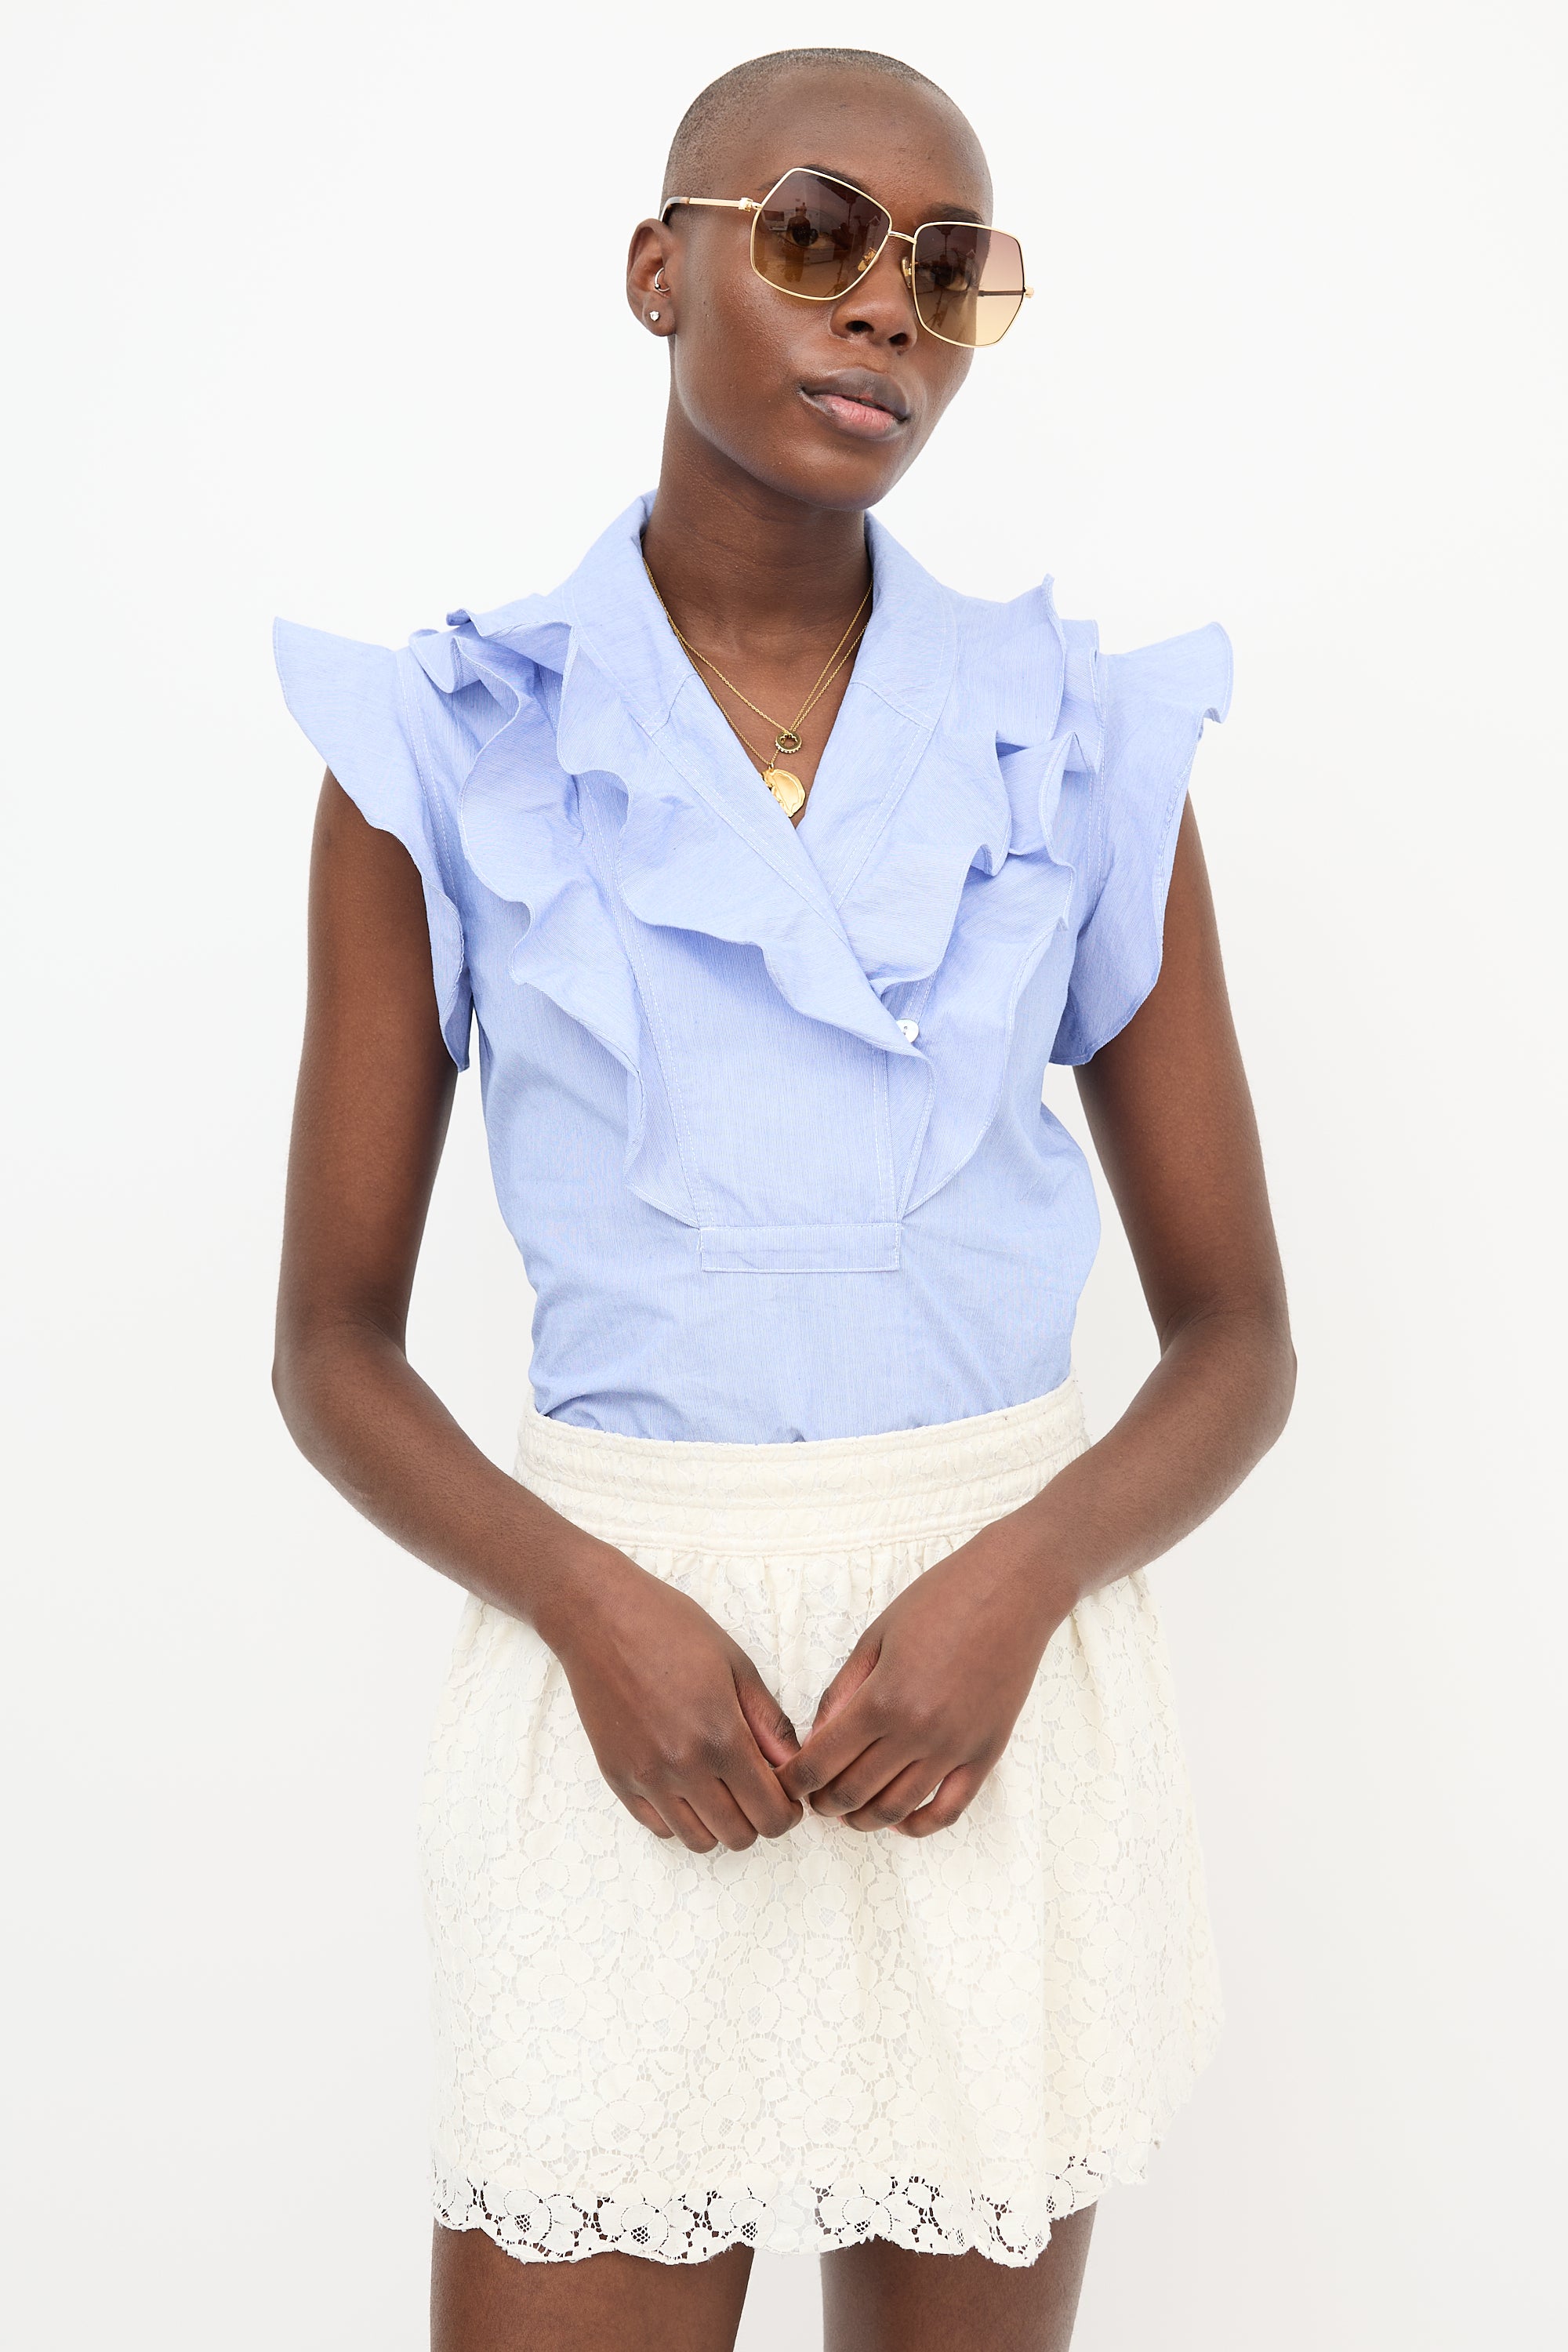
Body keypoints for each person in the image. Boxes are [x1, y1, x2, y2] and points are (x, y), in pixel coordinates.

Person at [272, 45, 1294, 2352]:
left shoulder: (1075, 747)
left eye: (952, 269)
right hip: (624, 1688)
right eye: (821, 235)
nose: (888, 311)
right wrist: (589, 1609)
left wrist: (1018, 1585)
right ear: (662, 269)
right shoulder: (451, 750)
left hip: (986, 1699)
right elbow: (329, 1345)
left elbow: (1241, 1338)